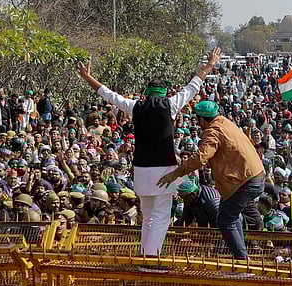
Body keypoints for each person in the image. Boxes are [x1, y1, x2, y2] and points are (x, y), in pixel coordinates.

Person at [77, 48, 221, 256]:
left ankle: (145, 254)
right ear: (165, 93)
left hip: (142, 170)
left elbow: (108, 94)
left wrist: (87, 77)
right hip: (164, 169)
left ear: (147, 93)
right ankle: (151, 258)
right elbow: (193, 85)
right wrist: (210, 64)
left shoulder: (135, 106)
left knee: (148, 215)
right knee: (161, 216)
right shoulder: (171, 104)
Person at [157, 101, 265, 260]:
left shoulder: (213, 131)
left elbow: (201, 157)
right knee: (231, 217)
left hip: (243, 181)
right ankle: (242, 257)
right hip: (253, 176)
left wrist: (176, 173)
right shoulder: (225, 122)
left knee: (225, 220)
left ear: (201, 120)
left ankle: (243, 261)